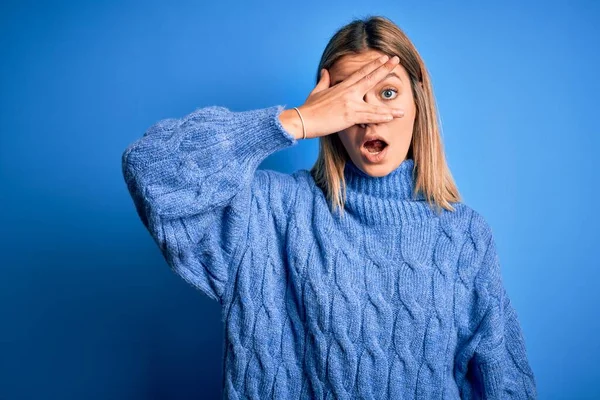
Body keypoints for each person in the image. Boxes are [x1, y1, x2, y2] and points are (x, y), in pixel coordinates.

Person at [121, 15, 537, 399]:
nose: (370, 117)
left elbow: (504, 383)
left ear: (418, 102)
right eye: (349, 98)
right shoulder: (269, 213)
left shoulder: (464, 235)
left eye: (387, 92)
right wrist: (294, 121)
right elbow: (149, 168)